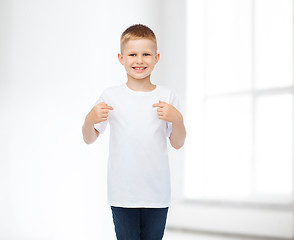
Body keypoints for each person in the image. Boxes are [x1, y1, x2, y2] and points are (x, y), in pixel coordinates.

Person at [82, 24, 186, 240]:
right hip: (122, 194)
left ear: (156, 58)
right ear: (121, 58)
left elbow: (177, 143)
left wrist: (178, 119)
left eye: (146, 54)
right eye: (133, 54)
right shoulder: (110, 96)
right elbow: (89, 138)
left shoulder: (167, 96)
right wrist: (89, 119)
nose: (139, 60)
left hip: (157, 194)